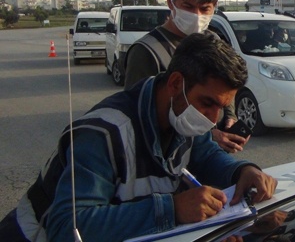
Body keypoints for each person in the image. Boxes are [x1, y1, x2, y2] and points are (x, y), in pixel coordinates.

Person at [0, 33, 277, 242]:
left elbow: (204, 154)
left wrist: (242, 171)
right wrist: (172, 210)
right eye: (208, 103)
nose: (214, 118)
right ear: (176, 84)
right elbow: (68, 227)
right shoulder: (102, 134)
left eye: (222, 106)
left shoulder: (181, 111)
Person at [124, 0, 247, 153]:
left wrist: (230, 117)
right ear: (170, 2)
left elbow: (224, 86)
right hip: (169, 157)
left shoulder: (213, 41)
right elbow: (139, 118)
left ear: (214, 7)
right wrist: (208, 137)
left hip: (211, 155)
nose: (196, 15)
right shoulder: (146, 51)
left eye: (204, 8)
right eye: (188, 6)